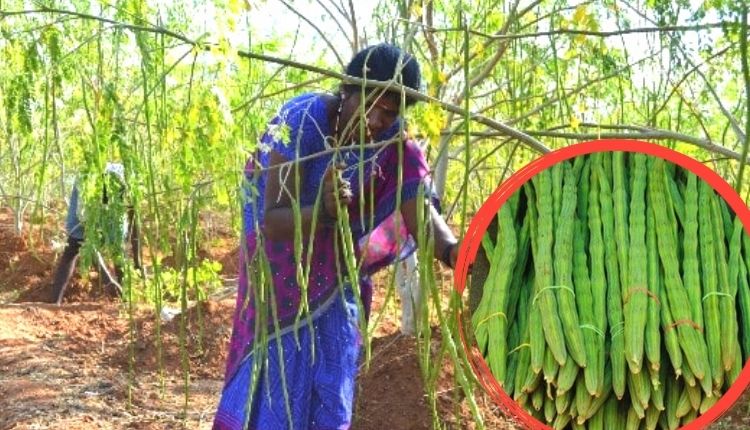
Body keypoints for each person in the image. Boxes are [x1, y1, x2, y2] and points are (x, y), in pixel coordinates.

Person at [213, 43, 460, 430]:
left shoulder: (393, 143)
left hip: (336, 277)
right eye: (372, 105)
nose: (378, 120)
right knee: (278, 376)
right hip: (280, 279)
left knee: (332, 366)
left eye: (391, 113)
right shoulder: (302, 120)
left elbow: (418, 205)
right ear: (348, 88)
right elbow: (274, 219)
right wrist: (324, 214)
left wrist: (452, 251)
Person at [50, 162, 141, 304]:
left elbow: (134, 223)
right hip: (88, 193)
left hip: (109, 186)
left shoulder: (126, 185)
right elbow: (87, 239)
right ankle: (54, 302)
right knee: (74, 243)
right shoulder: (87, 186)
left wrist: (138, 263)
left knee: (117, 245)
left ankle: (125, 299)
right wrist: (107, 279)